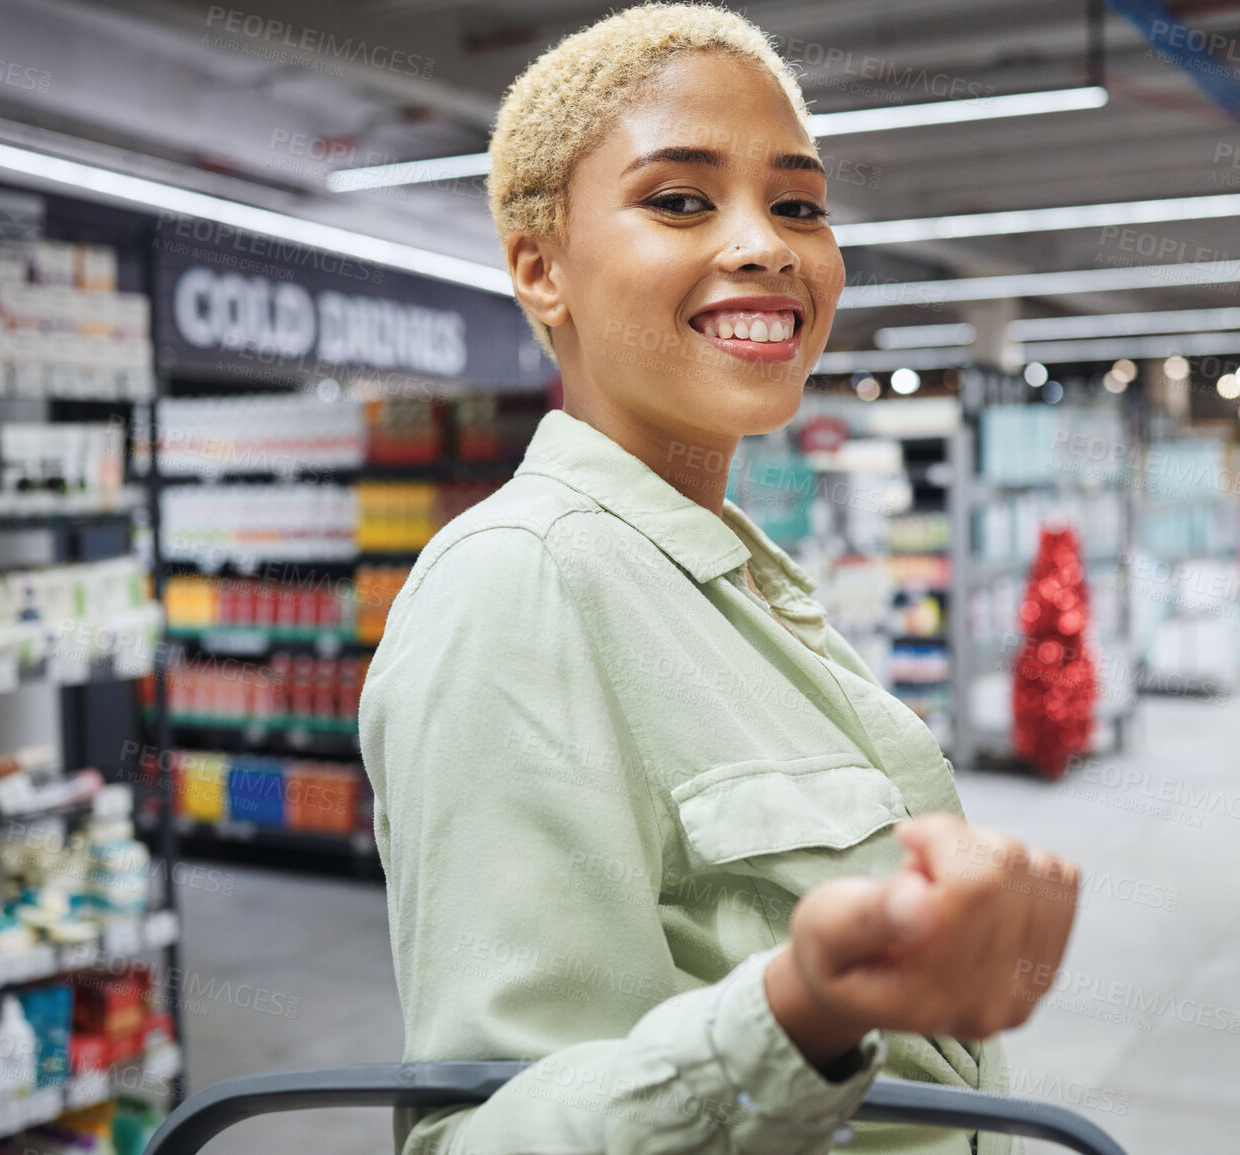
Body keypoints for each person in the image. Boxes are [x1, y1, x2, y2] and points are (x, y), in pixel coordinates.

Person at [358, 5, 1081, 1152]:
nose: (768, 246)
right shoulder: (524, 587)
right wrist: (801, 1019)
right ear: (540, 269)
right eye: (680, 199)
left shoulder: (734, 581)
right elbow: (480, 1138)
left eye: (799, 204)